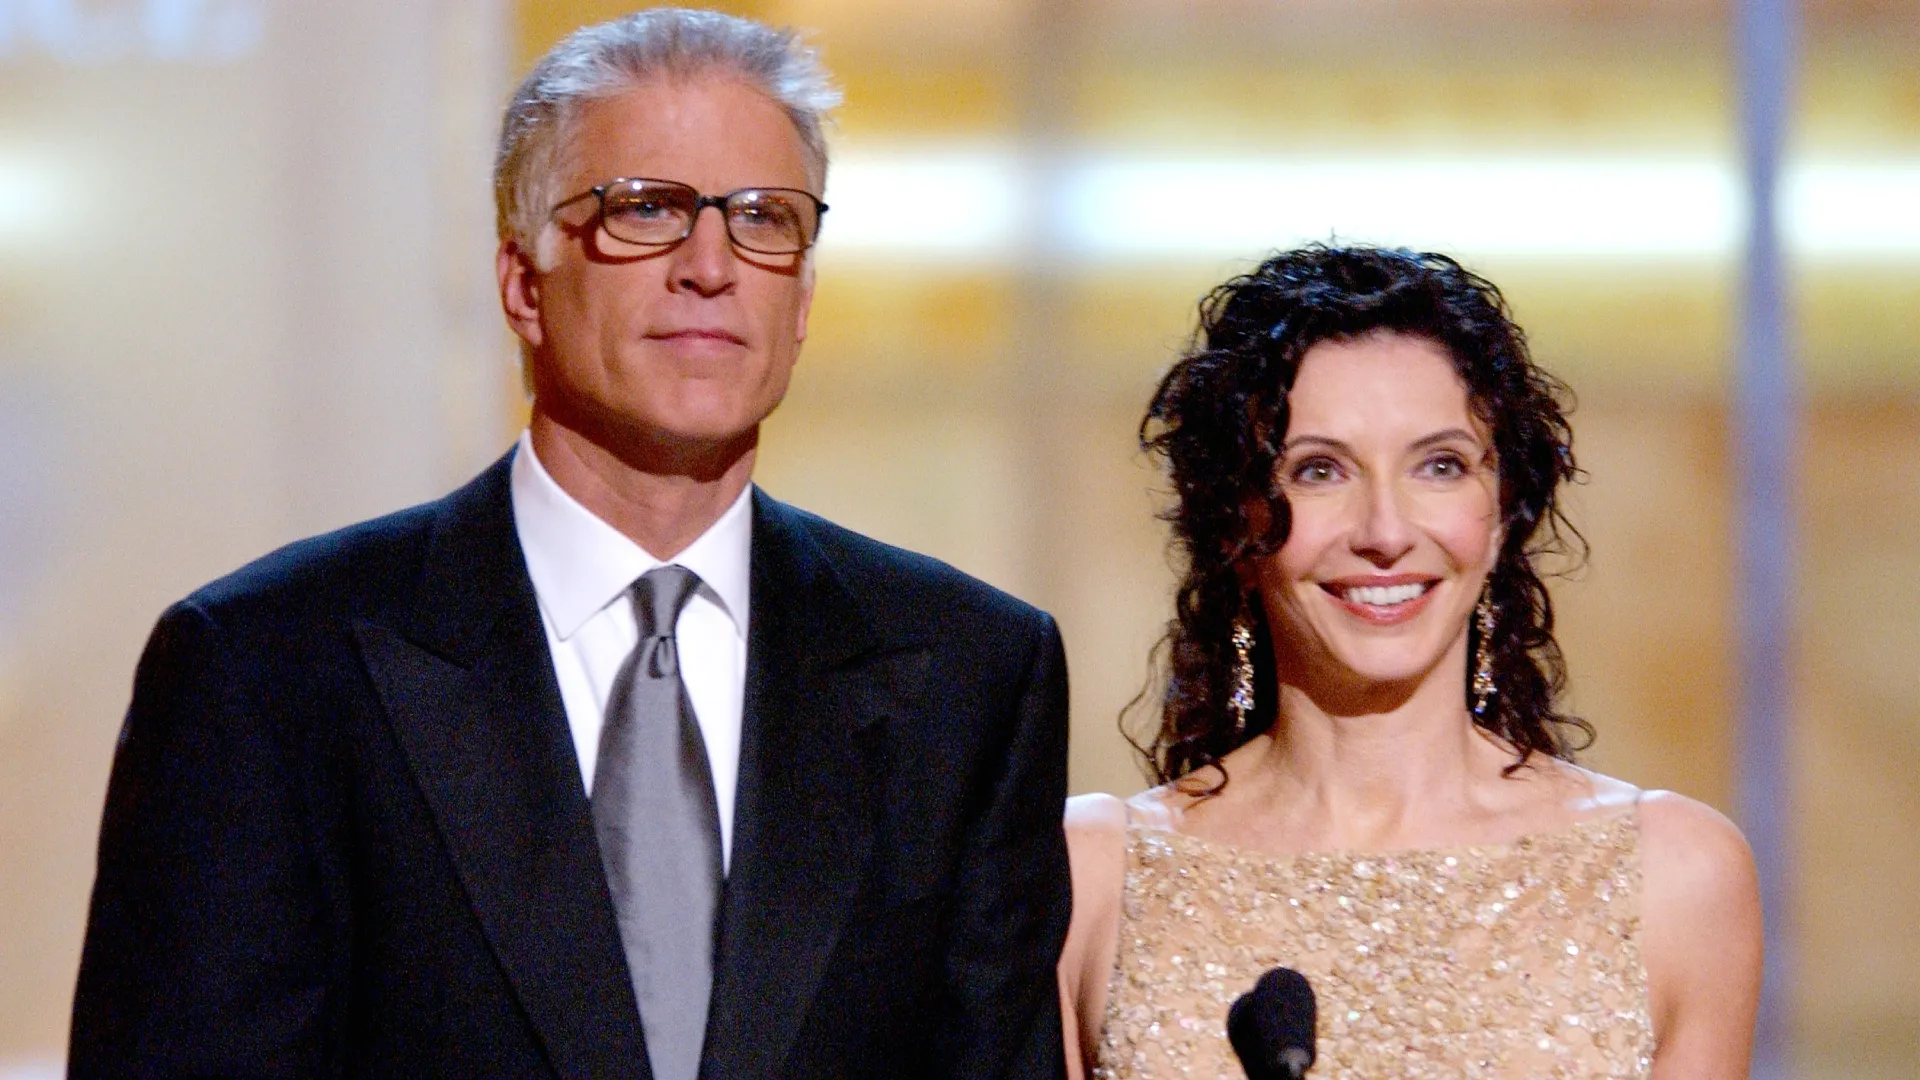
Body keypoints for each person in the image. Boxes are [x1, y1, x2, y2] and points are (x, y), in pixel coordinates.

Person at [70, 10, 1070, 1080]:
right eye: (646, 209)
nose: (710, 264)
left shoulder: (971, 673)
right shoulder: (266, 665)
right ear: (520, 284)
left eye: (763, 218)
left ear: (806, 295)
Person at [1058, 245, 1761, 1079]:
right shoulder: (1092, 873)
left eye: (1440, 465)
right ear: (1234, 529)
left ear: (1500, 517)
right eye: (1318, 471)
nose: (1386, 531)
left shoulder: (1673, 876)